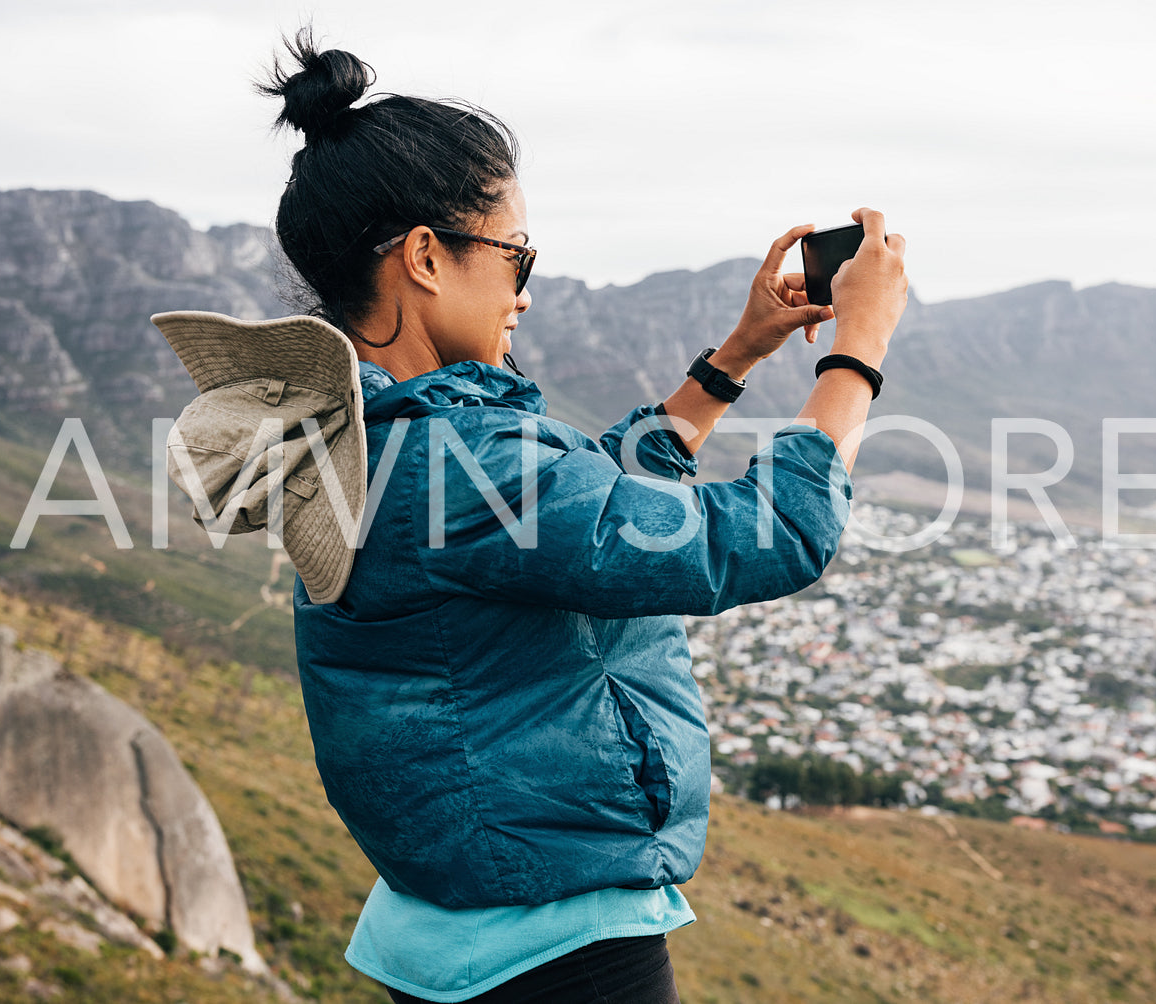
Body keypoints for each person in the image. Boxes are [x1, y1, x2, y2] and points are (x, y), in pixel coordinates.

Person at [156, 28, 906, 1004]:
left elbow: (578, 503)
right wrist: (857, 352)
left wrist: (735, 354)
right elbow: (772, 535)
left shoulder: (369, 434)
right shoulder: (456, 463)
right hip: (553, 940)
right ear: (425, 256)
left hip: (456, 911)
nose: (522, 287)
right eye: (516, 252)